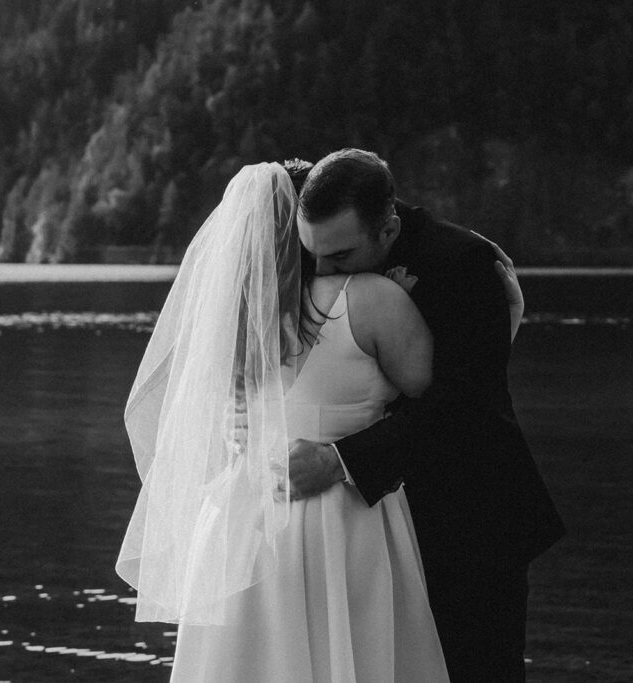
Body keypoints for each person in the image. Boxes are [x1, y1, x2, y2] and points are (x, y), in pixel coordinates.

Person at [116, 162, 450, 681]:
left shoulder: (229, 325)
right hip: (336, 518)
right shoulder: (375, 300)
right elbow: (432, 391)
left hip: (237, 521)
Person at [287, 149, 566, 681]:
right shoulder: (321, 252)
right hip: (374, 525)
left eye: (340, 257)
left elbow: (466, 404)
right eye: (313, 254)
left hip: (469, 514)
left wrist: (338, 461)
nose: (321, 271)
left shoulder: (463, 262)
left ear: (388, 228)